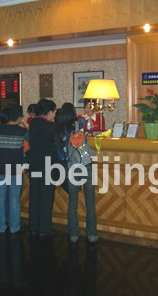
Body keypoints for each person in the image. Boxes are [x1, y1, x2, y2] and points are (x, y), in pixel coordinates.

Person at [56, 103, 97, 244]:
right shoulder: (78, 123)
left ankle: (73, 234)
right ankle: (92, 234)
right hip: (86, 166)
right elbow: (86, 117)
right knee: (90, 202)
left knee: (72, 203)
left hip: (71, 168)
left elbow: (60, 154)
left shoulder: (58, 129)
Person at [0, 105, 28, 234]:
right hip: (16, 169)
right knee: (14, 199)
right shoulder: (22, 132)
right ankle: (14, 227)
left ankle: (1, 226)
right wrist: (24, 125)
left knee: (0, 198)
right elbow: (29, 147)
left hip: (0, 168)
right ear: (18, 117)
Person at [28, 98, 58, 238]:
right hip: (48, 164)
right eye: (54, 112)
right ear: (50, 112)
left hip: (34, 163)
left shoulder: (33, 123)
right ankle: (45, 228)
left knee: (34, 195)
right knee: (46, 196)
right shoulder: (52, 127)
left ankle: (34, 226)